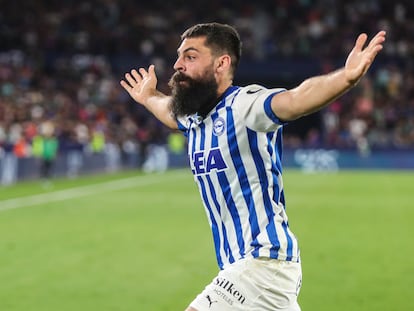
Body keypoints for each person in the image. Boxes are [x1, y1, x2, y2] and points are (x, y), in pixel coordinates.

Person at [120, 22, 386, 311]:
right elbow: (170, 112)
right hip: (253, 269)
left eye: (190, 56)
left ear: (221, 63)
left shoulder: (244, 105)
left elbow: (296, 99)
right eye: (179, 56)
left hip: (262, 262)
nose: (178, 64)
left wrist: (345, 77)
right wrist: (148, 97)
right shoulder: (194, 119)